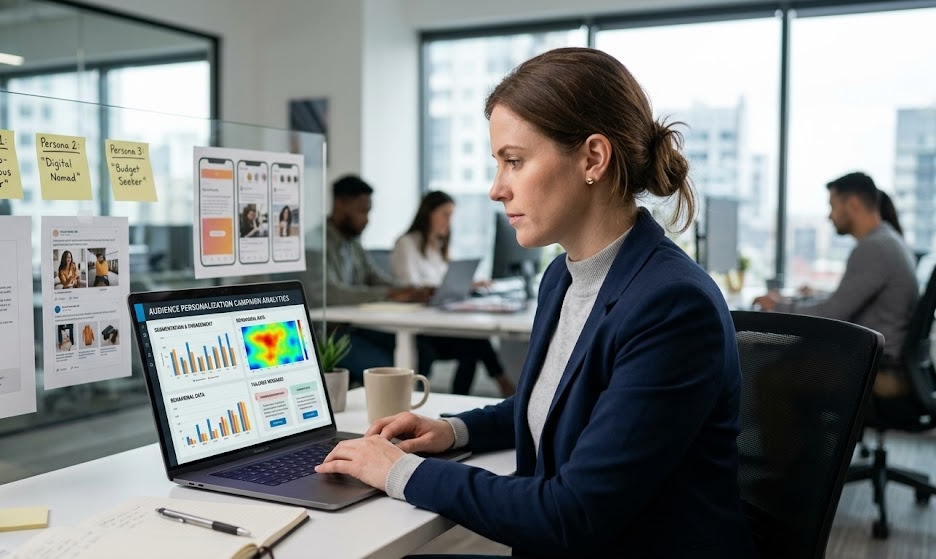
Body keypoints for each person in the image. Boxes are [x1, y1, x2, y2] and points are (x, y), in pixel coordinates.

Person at [317, 47, 754, 557]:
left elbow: (571, 515)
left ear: (593, 158)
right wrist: (452, 431)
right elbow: (557, 405)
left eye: (514, 161)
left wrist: (401, 472)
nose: (496, 189)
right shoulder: (563, 277)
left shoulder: (673, 306)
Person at [753, 172, 918, 381]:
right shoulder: (889, 241)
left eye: (833, 205)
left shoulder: (875, 247)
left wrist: (777, 307)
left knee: (767, 373)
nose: (829, 216)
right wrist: (793, 301)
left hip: (877, 366)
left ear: (853, 204)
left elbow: (832, 313)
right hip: (883, 360)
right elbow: (843, 301)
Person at [391, 190, 515, 397]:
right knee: (477, 341)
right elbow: (410, 287)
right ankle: (502, 385)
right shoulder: (406, 244)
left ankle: (463, 395)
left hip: (440, 320)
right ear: (428, 213)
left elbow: (448, 282)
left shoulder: (439, 247)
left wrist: (470, 284)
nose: (448, 222)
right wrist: (440, 289)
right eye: (445, 215)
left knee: (475, 342)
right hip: (421, 327)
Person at [322, 175, 434, 385]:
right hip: (329, 335)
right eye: (362, 210)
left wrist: (413, 289)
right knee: (388, 366)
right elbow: (332, 292)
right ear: (340, 205)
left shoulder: (352, 244)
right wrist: (389, 294)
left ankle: (412, 406)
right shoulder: (317, 243)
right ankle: (393, 411)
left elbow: (376, 279)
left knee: (423, 351)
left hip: (355, 327)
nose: (367, 219)